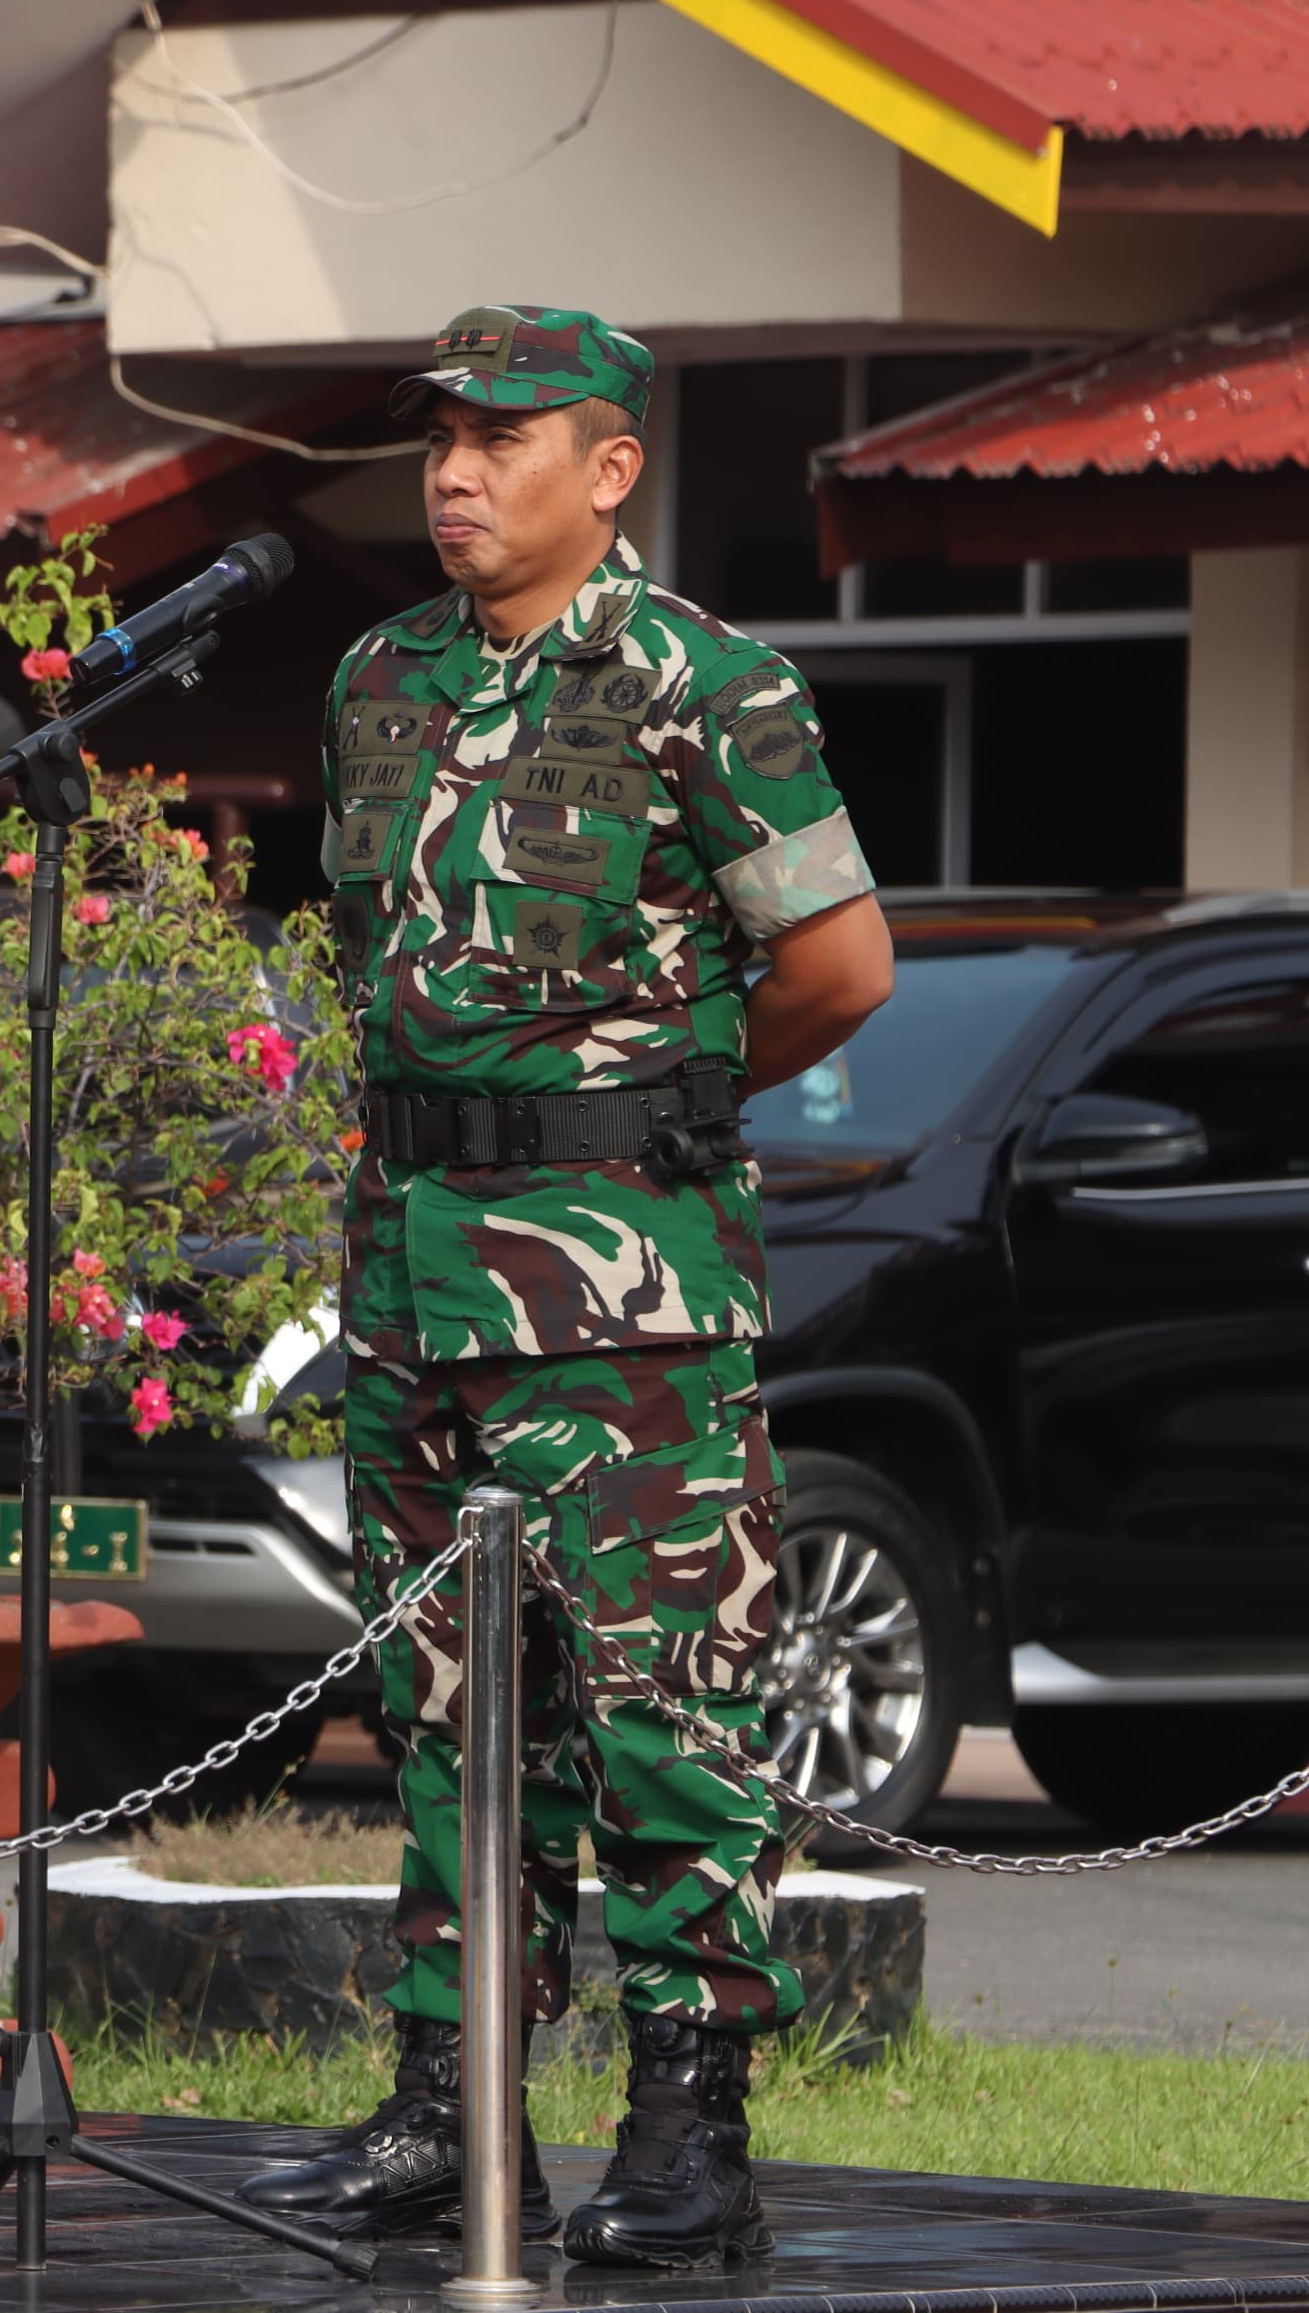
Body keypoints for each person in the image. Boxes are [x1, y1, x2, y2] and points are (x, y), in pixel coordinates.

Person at [237, 306, 894, 2267]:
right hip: (412, 1274)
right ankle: (451, 2102)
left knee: (664, 1704)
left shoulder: (707, 683)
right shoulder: (378, 678)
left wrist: (638, 1107)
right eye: (440, 435)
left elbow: (838, 965)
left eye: (503, 438)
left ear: (606, 468)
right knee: (445, 1708)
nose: (454, 469)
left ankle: (692, 2123)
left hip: (628, 1293)